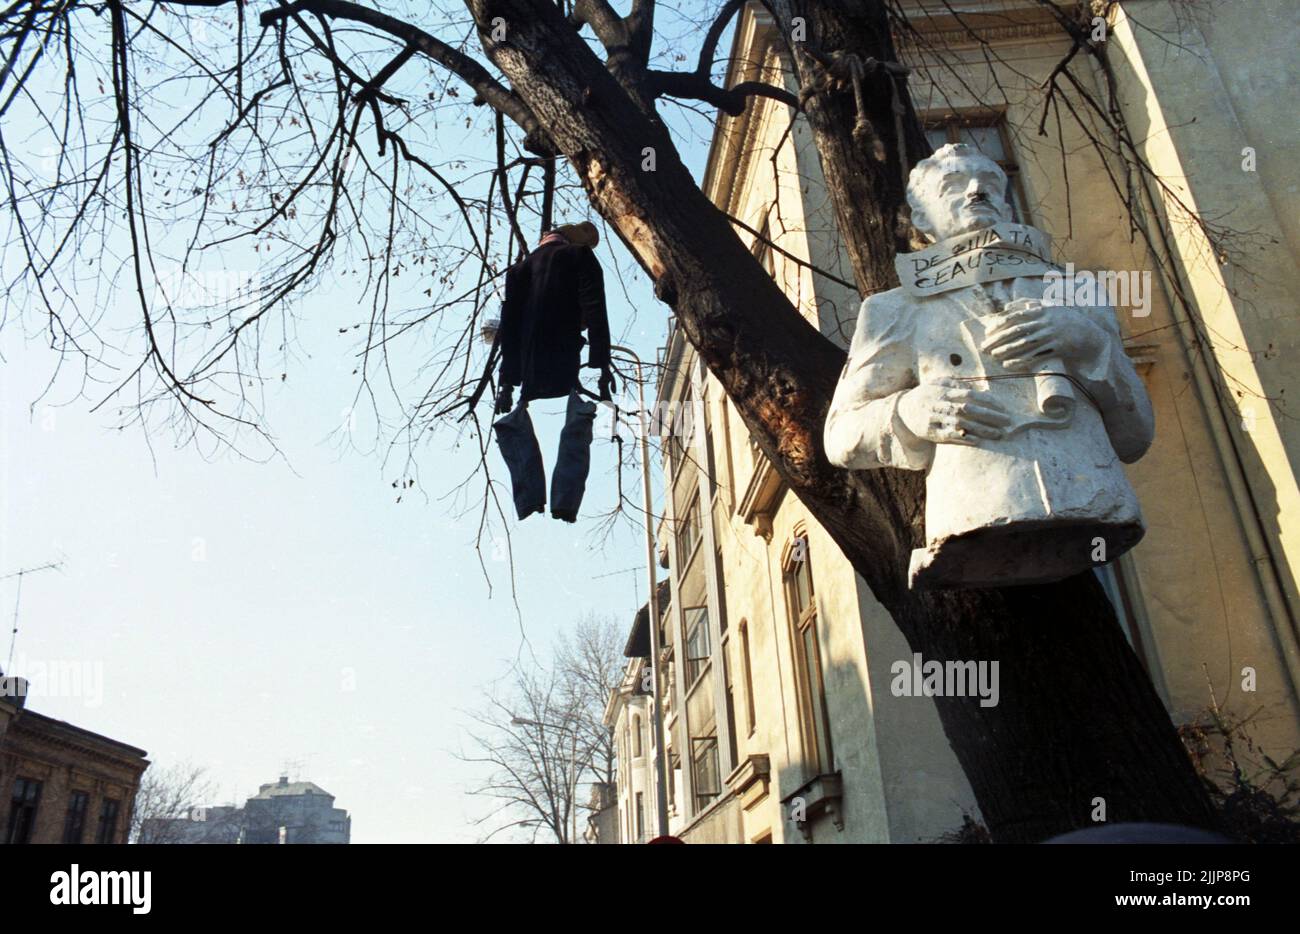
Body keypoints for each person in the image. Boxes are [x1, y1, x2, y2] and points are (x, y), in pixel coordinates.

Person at [824, 144, 1154, 587]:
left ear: (1006, 203)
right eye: (954, 184)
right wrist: (909, 411)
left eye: (990, 183)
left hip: (1096, 503)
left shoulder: (1075, 291)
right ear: (921, 217)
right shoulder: (892, 310)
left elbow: (1136, 435)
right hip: (975, 512)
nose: (977, 190)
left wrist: (1088, 343)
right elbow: (839, 436)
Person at [492, 222, 614, 523]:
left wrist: (507, 383)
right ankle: (565, 502)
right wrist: (601, 363)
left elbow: (509, 327)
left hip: (531, 363)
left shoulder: (518, 272)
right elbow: (595, 307)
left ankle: (529, 500)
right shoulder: (579, 256)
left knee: (516, 427)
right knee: (578, 425)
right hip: (563, 353)